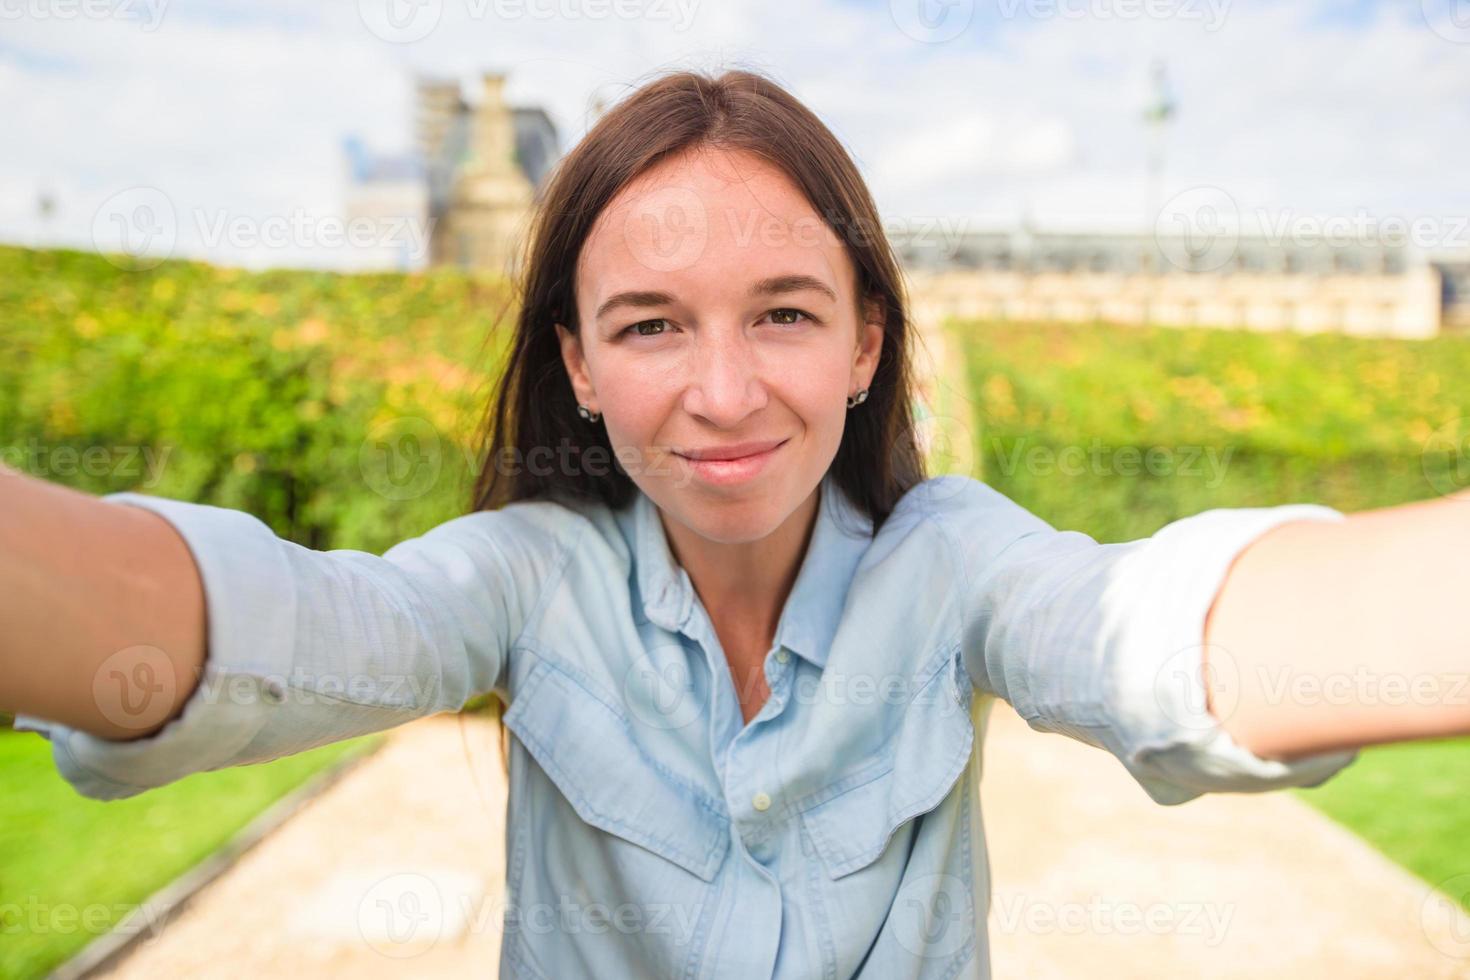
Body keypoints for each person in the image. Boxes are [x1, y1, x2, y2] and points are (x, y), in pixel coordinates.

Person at [4, 68, 1468, 979]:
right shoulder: (527, 579)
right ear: (575, 364)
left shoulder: (953, 562)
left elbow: (1164, 635)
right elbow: (282, 629)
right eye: (648, 325)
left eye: (782, 313)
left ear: (867, 346)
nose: (722, 392)